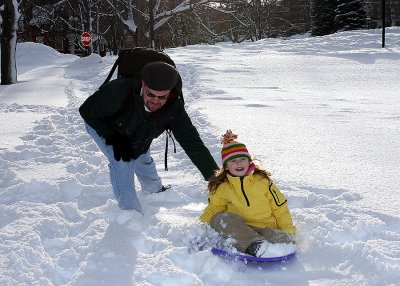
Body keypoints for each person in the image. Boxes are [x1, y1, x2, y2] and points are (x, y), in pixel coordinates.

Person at [79, 59, 218, 213]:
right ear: (143, 84)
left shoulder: (174, 108)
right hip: (104, 125)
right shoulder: (118, 91)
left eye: (162, 97)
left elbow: (192, 142)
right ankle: (130, 212)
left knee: (142, 156)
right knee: (123, 161)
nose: (155, 101)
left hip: (138, 133)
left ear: (170, 92)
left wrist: (216, 178)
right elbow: (86, 111)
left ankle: (153, 190)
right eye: (150, 94)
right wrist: (112, 137)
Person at [199, 130, 296, 257]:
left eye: (242, 159)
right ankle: (254, 245)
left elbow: (280, 208)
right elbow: (214, 209)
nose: (239, 163)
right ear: (226, 166)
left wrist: (288, 231)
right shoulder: (223, 187)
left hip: (267, 229)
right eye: (233, 161)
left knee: (283, 239)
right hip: (240, 229)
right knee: (220, 219)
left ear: (249, 161)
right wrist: (200, 229)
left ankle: (260, 244)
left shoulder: (263, 182)